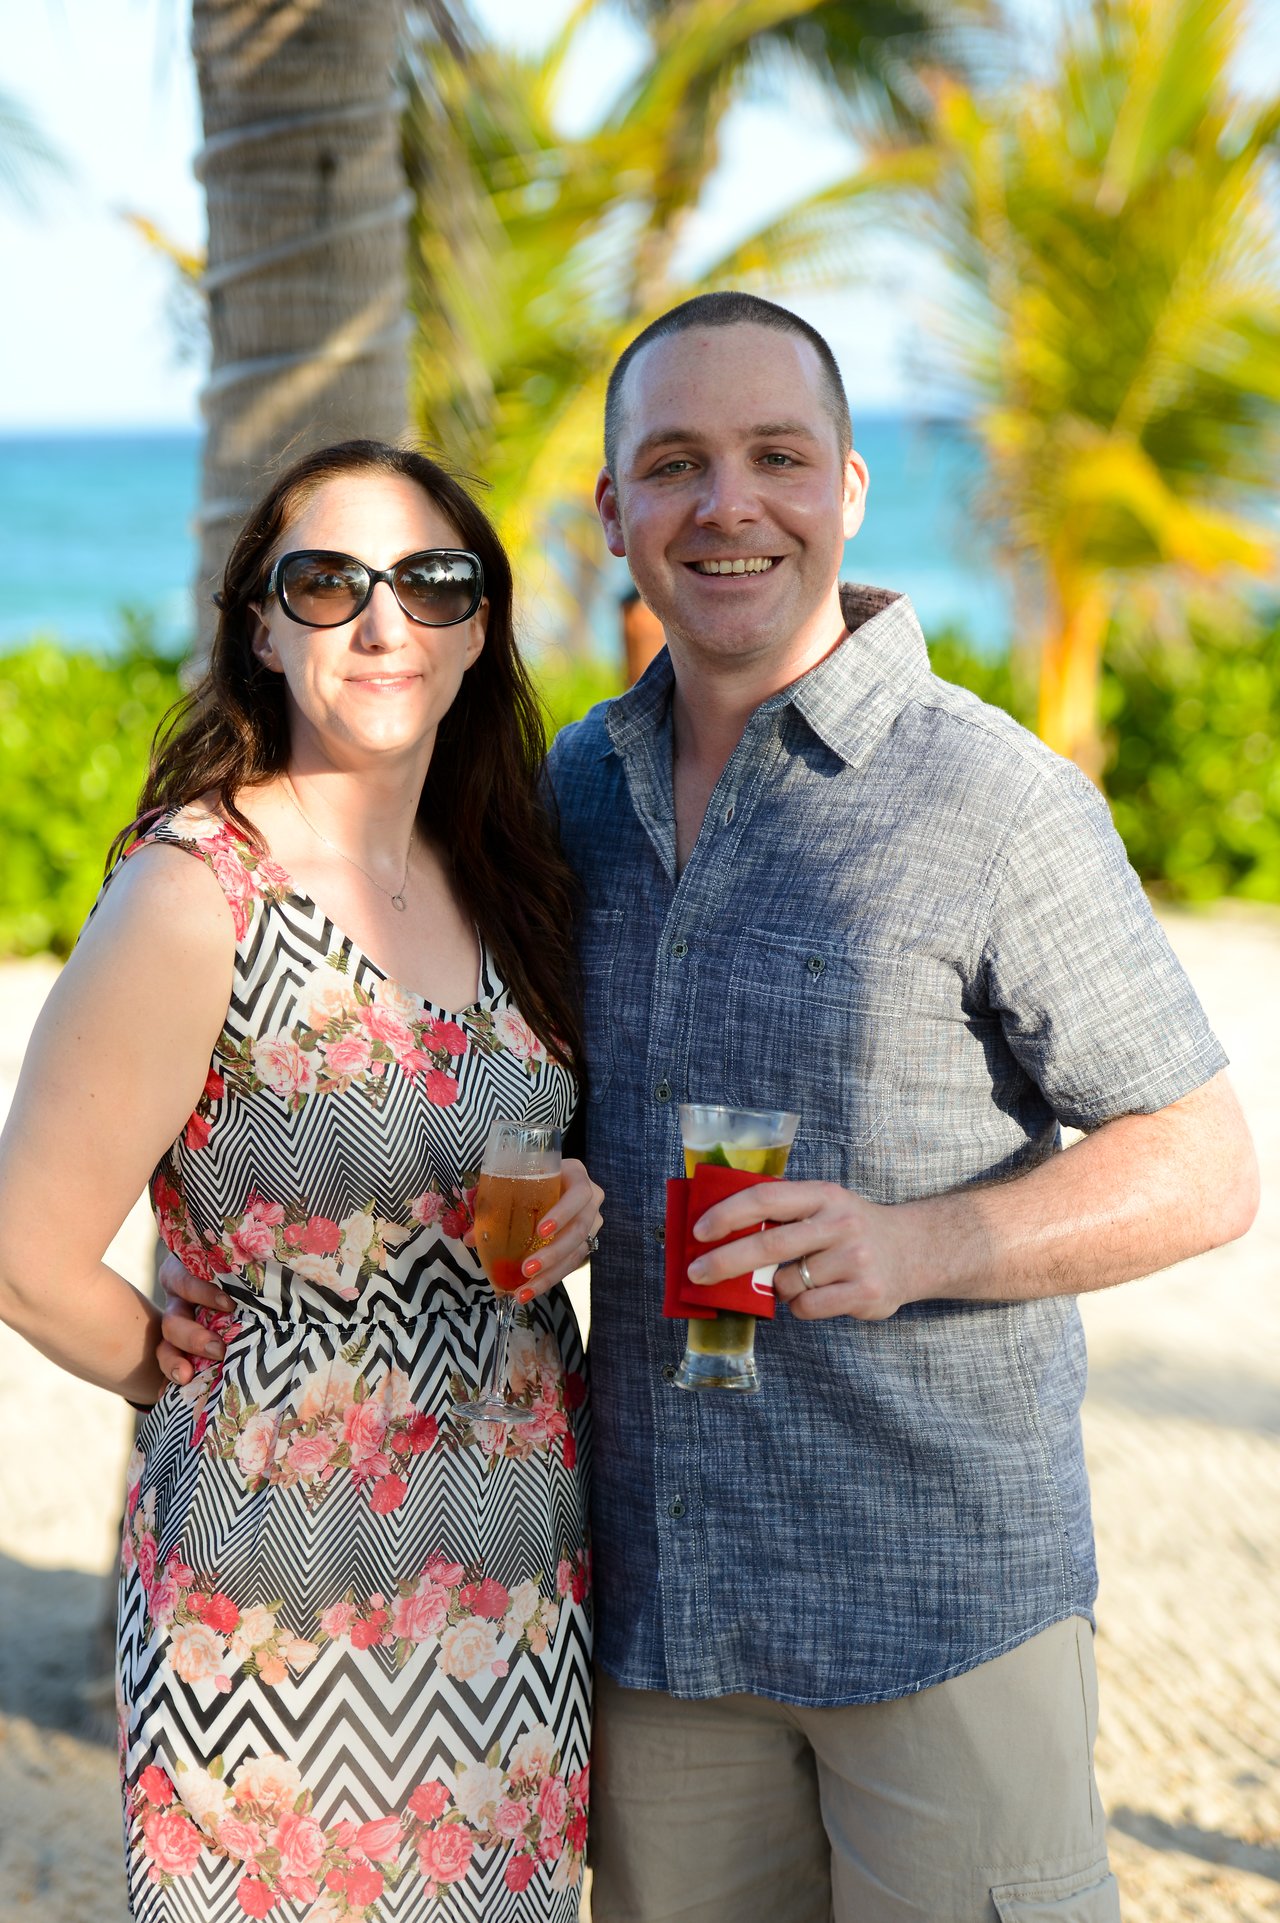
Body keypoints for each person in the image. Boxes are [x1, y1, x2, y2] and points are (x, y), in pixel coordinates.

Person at [161, 301, 1260, 1922]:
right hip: (659, 1630)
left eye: (775, 459)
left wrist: (917, 1240)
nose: (725, 503)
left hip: (936, 1615)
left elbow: (1207, 1162)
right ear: (612, 513)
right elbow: (395, 1048)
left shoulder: (999, 798)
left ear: (851, 490)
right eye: (674, 464)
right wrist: (221, 1253)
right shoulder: (568, 797)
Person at [0, 440, 601, 1923]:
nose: (384, 620)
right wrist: (171, 1372)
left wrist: (571, 1212)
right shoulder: (194, 893)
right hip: (277, 1594)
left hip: (518, 1578)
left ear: (478, 627)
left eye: (432, 582)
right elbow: (23, 1251)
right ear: (260, 628)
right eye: (328, 584)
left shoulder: (496, 871)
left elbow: (496, 1146)